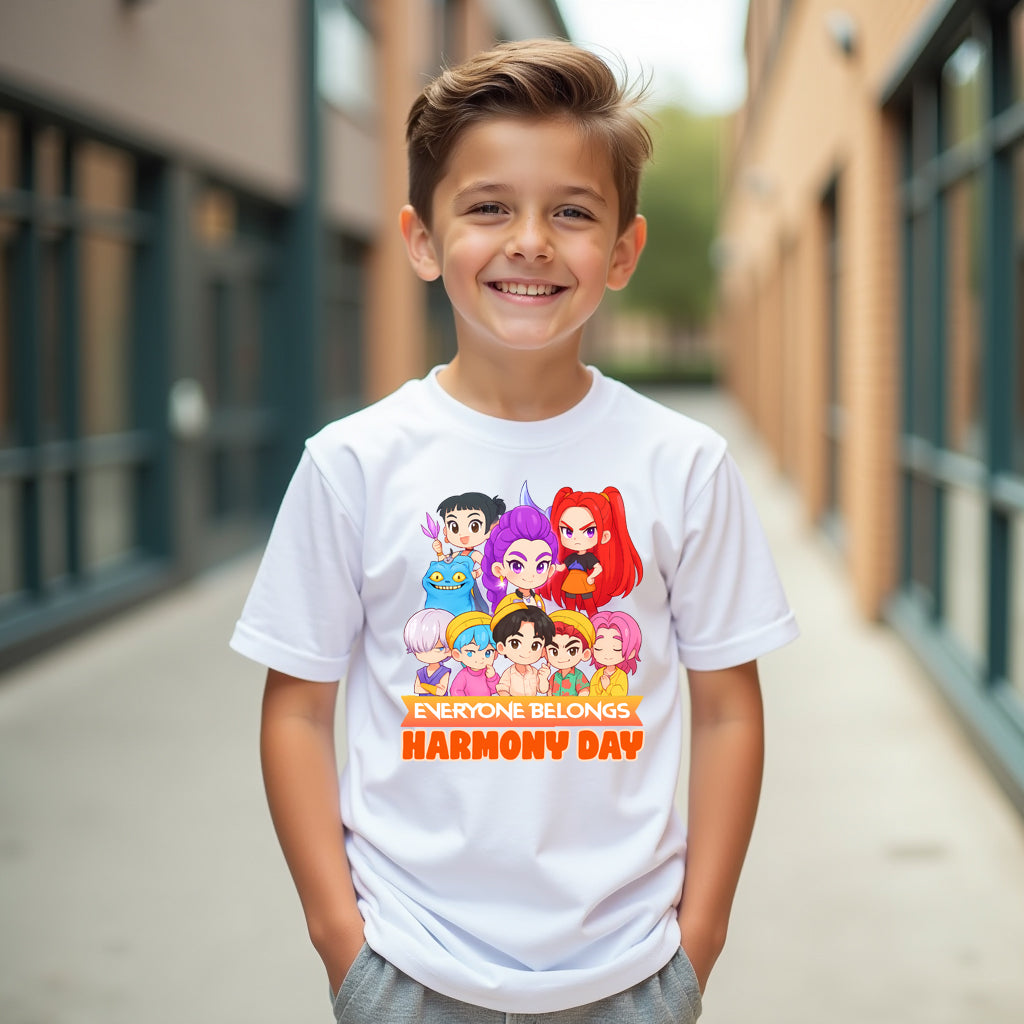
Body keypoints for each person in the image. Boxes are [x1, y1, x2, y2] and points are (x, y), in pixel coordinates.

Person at [230, 38, 798, 1022]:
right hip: (408, 965)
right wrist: (344, 948)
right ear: (418, 238)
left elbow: (726, 710)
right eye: (488, 207)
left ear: (621, 252)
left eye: (571, 212)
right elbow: (296, 710)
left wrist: (693, 953)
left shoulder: (684, 464)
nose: (529, 240)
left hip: (631, 972)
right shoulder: (352, 463)